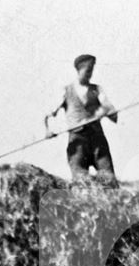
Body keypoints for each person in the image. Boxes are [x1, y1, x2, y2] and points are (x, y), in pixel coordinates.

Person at [46, 54, 118, 184]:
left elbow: (113, 113)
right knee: (81, 181)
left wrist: (105, 111)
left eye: (92, 70)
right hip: (77, 141)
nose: (90, 74)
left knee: (109, 180)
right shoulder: (66, 91)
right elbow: (49, 116)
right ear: (79, 70)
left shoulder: (97, 90)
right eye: (88, 70)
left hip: (97, 140)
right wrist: (49, 131)